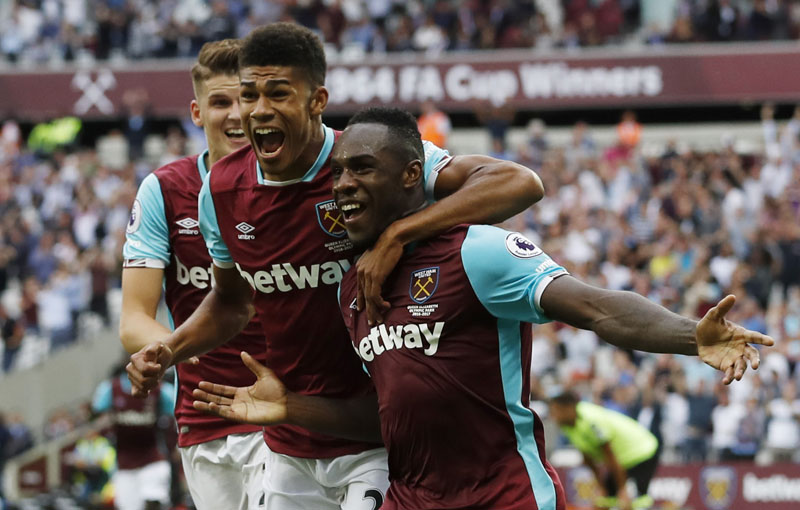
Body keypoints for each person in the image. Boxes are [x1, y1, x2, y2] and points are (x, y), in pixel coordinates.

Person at [191, 107, 773, 510]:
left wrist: (687, 337)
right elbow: (385, 418)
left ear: (412, 174)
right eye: (339, 171)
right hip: (410, 498)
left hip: (505, 497)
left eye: (362, 168)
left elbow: (596, 308)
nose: (342, 184)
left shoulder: (477, 250)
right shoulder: (354, 289)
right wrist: (292, 407)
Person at [127, 23, 546, 510]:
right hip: (290, 439)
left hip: (378, 436)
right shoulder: (220, 190)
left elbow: (517, 182)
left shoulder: (368, 158)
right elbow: (232, 302)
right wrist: (170, 348)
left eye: (278, 93)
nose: (257, 111)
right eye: (248, 95)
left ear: (316, 100)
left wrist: (398, 235)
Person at [119, 39, 269, 510]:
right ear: (197, 111)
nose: (234, 115)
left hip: (285, 408)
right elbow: (133, 318)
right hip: (204, 418)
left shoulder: (301, 183)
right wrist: (171, 348)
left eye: (244, 99)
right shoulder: (164, 190)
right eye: (219, 102)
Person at [549, 391, 659, 510]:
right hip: (621, 460)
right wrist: (601, 486)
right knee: (603, 500)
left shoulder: (591, 420)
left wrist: (622, 489)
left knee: (635, 501)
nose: (553, 416)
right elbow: (588, 458)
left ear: (568, 408)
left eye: (556, 411)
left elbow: (610, 456)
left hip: (642, 451)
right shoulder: (567, 426)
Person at [92, 364, 175, 510]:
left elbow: (173, 415)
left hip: (153, 459)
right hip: (124, 464)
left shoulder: (161, 390)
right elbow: (98, 416)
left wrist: (176, 445)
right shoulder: (110, 389)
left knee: (153, 502)